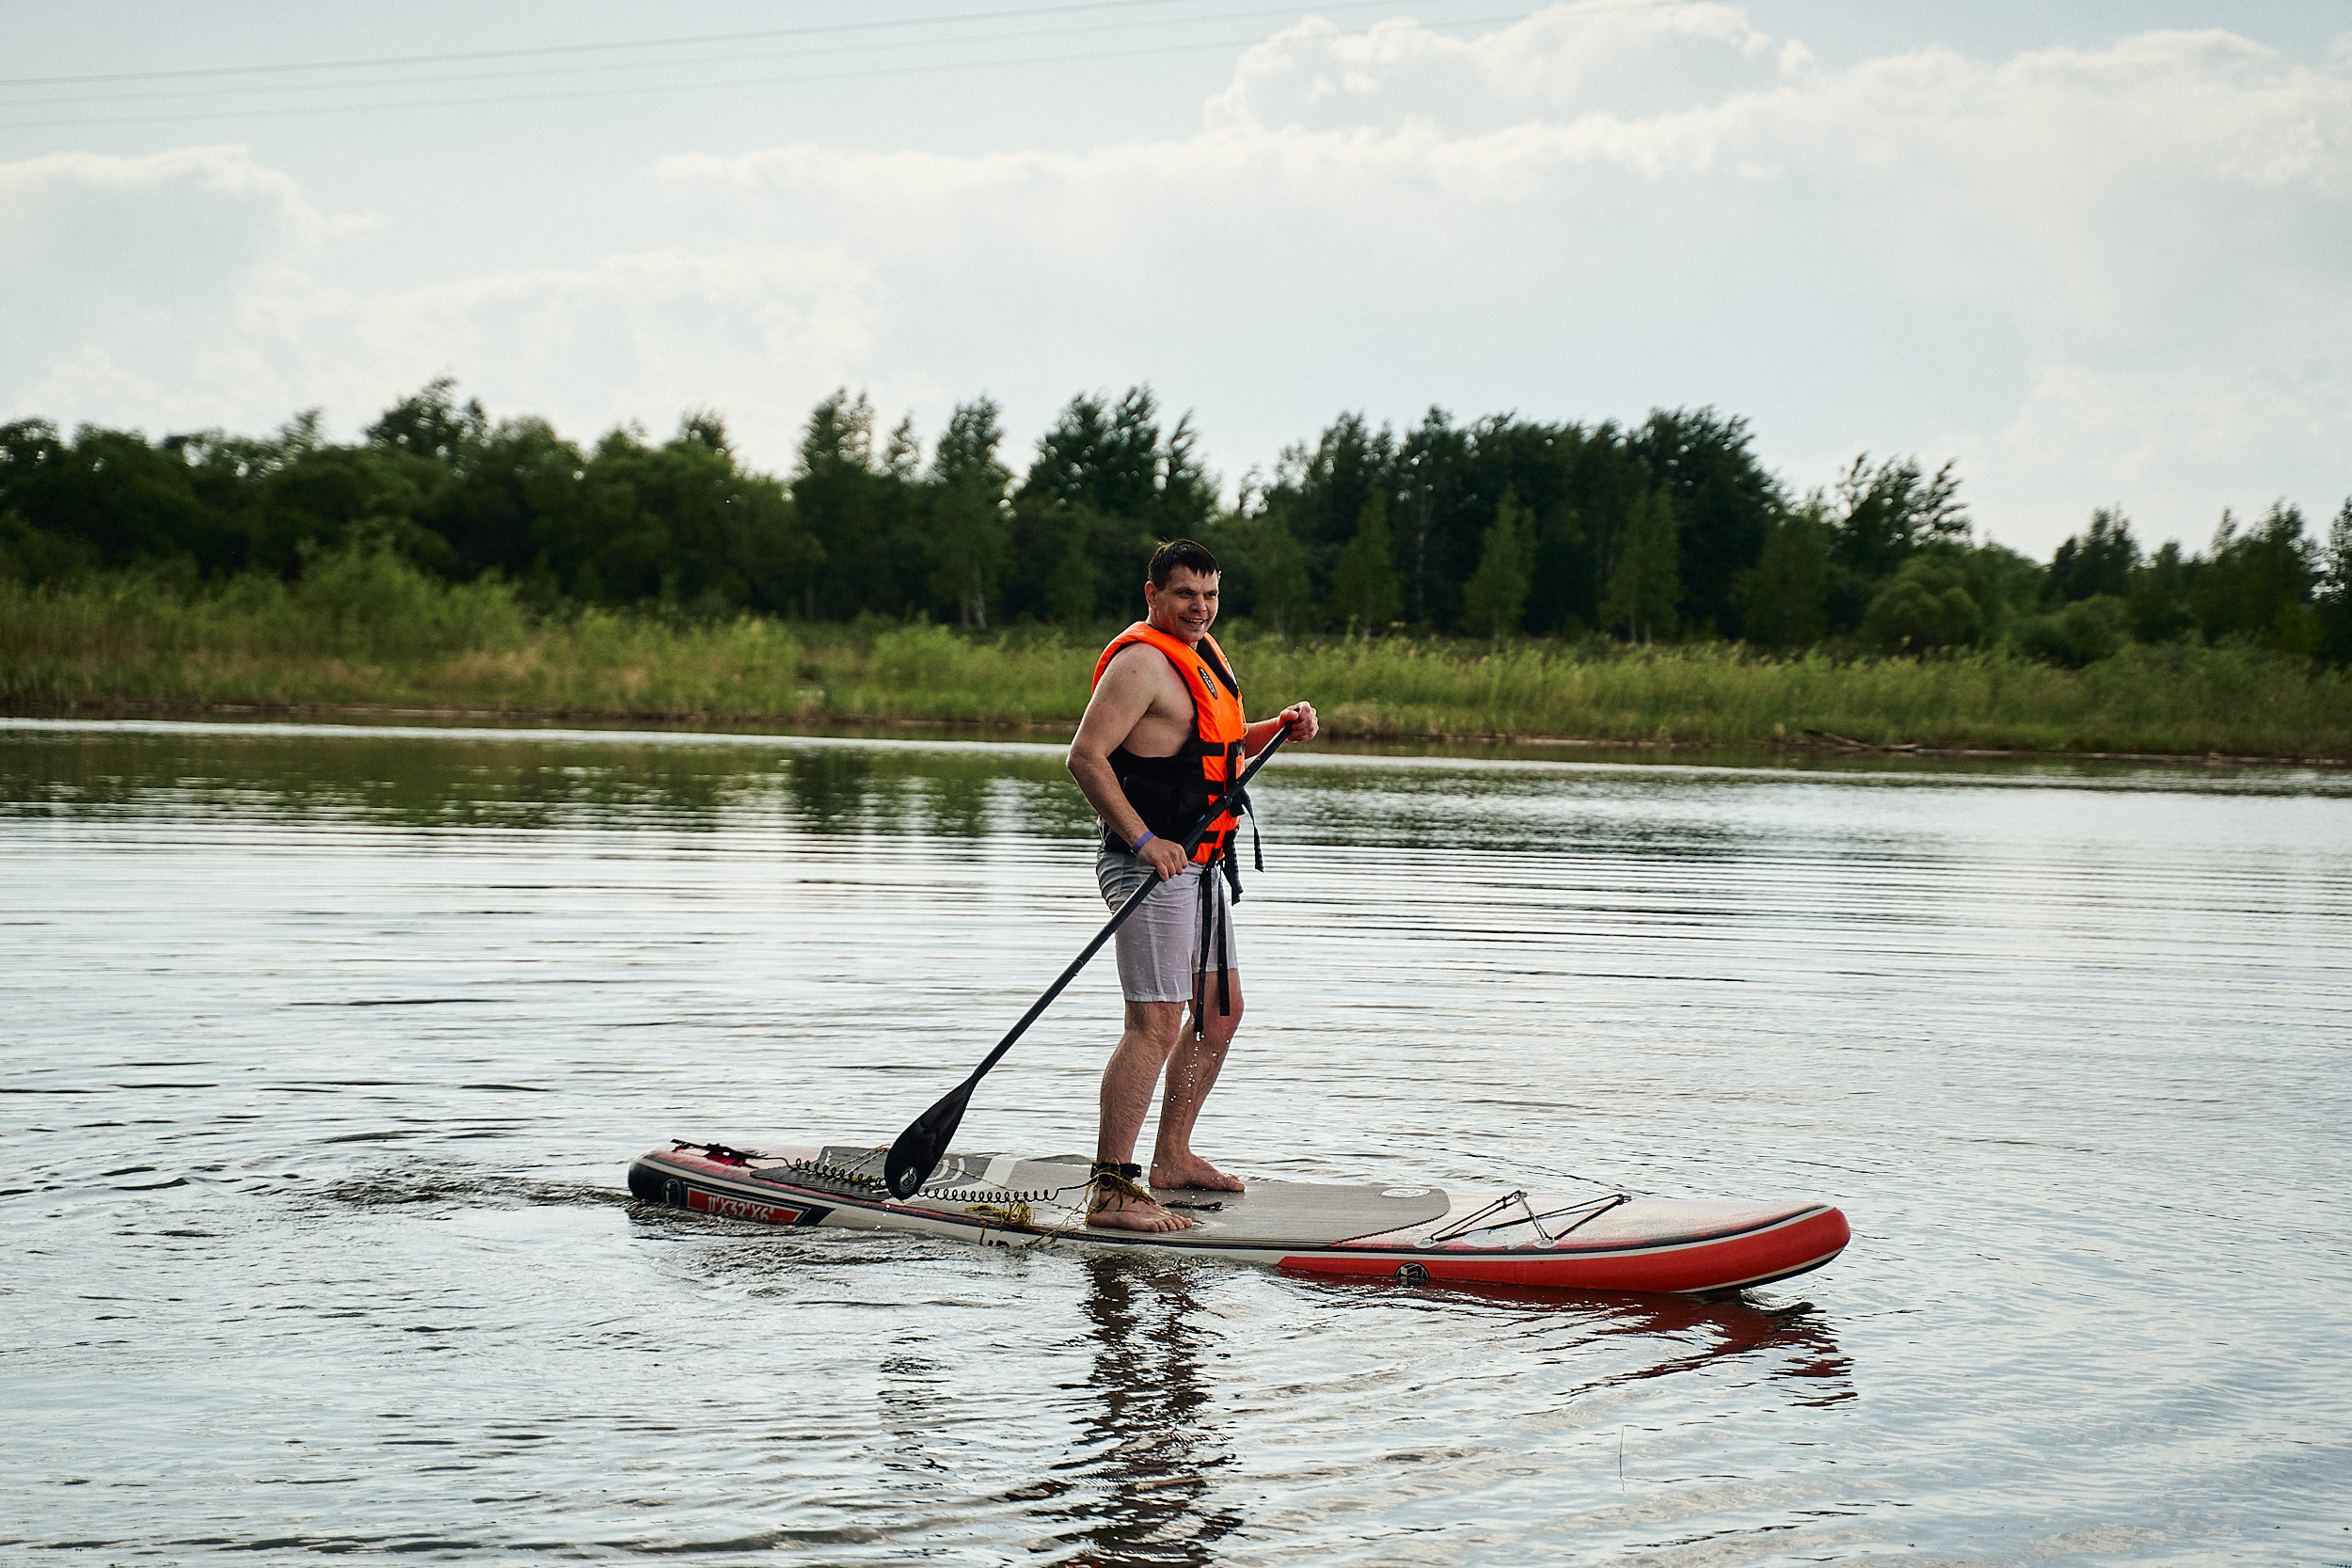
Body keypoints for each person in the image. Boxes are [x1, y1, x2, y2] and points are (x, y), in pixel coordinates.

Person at [1065, 539, 1320, 1232]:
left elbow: (1216, 746)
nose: (1200, 608)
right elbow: (1085, 758)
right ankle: (1112, 1189)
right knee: (1155, 1024)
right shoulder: (1141, 662)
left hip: (1202, 866)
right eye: (1185, 595)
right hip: (1147, 867)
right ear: (1153, 595)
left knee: (1220, 1012)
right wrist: (1145, 841)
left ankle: (1171, 1157)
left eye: (1209, 595)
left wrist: (1279, 727)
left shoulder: (1205, 655)